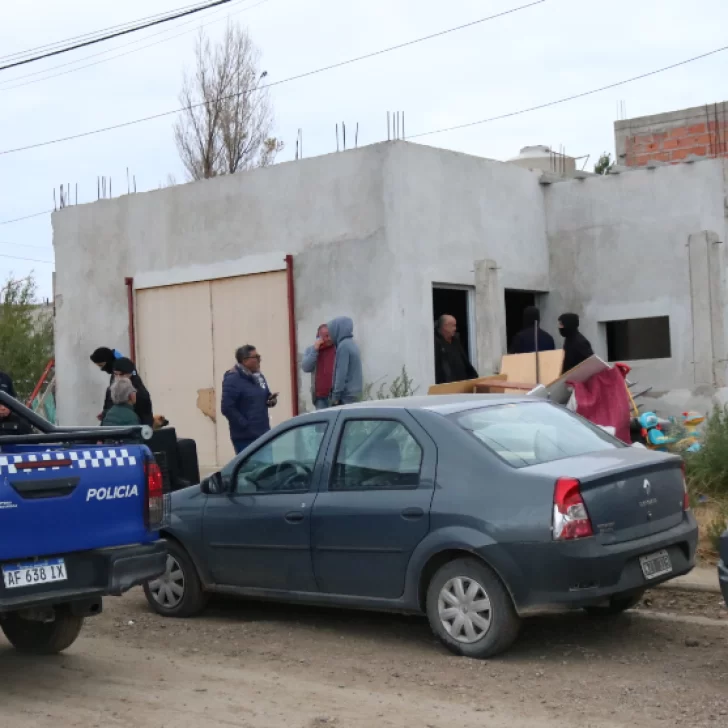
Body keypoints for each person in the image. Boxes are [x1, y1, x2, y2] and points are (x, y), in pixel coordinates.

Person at [221, 345, 278, 454]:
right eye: (256, 357)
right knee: (251, 470)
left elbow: (265, 395)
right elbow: (227, 408)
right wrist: (245, 424)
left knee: (267, 469)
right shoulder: (233, 379)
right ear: (245, 360)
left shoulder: (259, 376)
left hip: (263, 434)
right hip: (245, 438)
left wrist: (271, 400)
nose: (259, 359)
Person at [434, 314, 478, 384]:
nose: (455, 328)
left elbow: (465, 361)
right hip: (447, 387)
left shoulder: (455, 341)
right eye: (453, 326)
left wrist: (473, 377)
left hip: (462, 384)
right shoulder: (435, 343)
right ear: (445, 326)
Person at [328, 317, 363, 406]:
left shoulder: (343, 347)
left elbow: (341, 374)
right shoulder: (352, 344)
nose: (330, 337)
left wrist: (335, 397)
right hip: (355, 394)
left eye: (331, 332)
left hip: (346, 397)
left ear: (337, 331)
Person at [111, 357, 154, 427]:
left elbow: (146, 417)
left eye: (121, 374)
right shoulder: (113, 385)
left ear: (130, 373)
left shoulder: (140, 392)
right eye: (115, 374)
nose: (118, 378)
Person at [301, 324, 336, 410]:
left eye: (330, 335)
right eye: (325, 336)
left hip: (335, 396)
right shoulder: (311, 350)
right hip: (320, 397)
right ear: (318, 337)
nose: (329, 338)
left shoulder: (337, 348)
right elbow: (306, 367)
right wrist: (315, 349)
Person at [90, 347, 124, 420]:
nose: (102, 369)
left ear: (108, 361)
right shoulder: (116, 374)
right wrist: (105, 413)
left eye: (101, 365)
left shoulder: (121, 376)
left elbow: (118, 399)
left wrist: (108, 414)